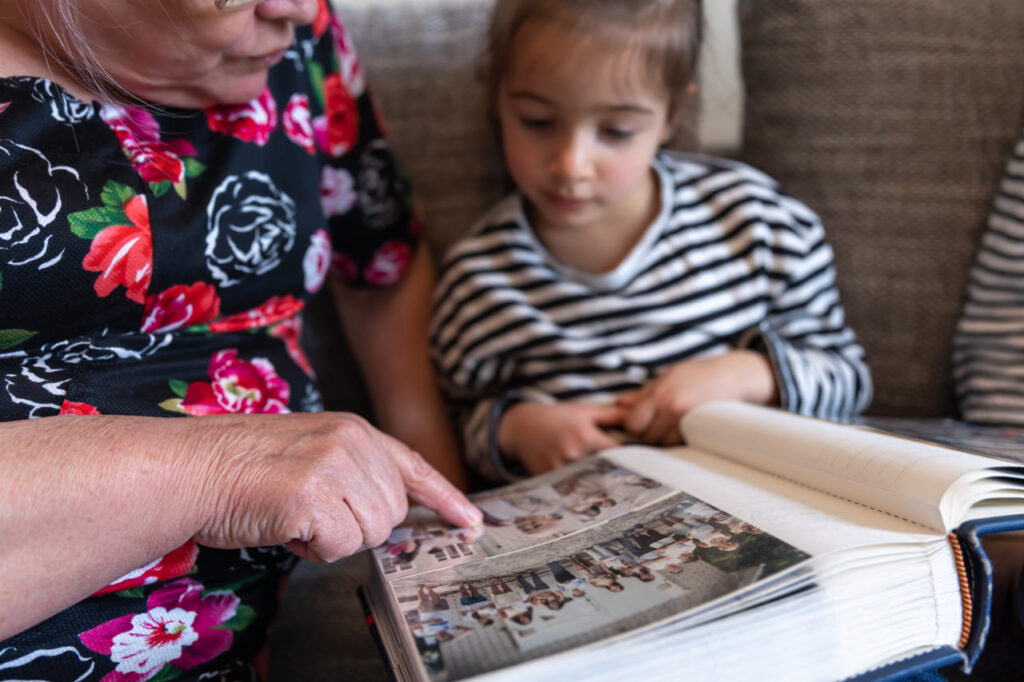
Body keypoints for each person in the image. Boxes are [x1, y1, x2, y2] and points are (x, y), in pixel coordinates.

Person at [0, 0, 481, 679]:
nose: (294, 5)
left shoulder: (293, 37)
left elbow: (382, 264)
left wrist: (447, 515)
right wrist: (217, 471)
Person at [429, 0, 873, 482]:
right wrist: (512, 430)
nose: (571, 165)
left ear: (671, 115)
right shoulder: (478, 282)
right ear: (497, 97)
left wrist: (751, 375)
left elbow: (848, 379)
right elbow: (448, 426)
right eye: (537, 121)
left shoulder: (759, 226)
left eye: (616, 131)